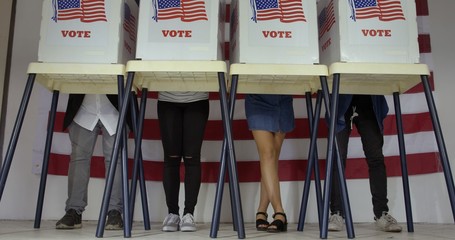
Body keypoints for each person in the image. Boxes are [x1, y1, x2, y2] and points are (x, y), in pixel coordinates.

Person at [327, 94, 402, 232]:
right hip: (341, 96)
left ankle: (381, 213)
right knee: (337, 158)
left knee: (376, 158)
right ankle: (336, 213)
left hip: (368, 97)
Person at [56, 94, 127, 230]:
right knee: (78, 159)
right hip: (83, 109)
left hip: (115, 109)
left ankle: (114, 212)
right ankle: (74, 211)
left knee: (114, 159)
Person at [158, 91, 209, 232]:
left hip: (197, 97)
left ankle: (189, 214)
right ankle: (172, 213)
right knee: (171, 158)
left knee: (192, 158)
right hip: (167, 97)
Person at [245, 94, 295, 233]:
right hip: (257, 96)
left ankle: (261, 210)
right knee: (267, 154)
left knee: (271, 160)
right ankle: (279, 211)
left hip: (282, 96)